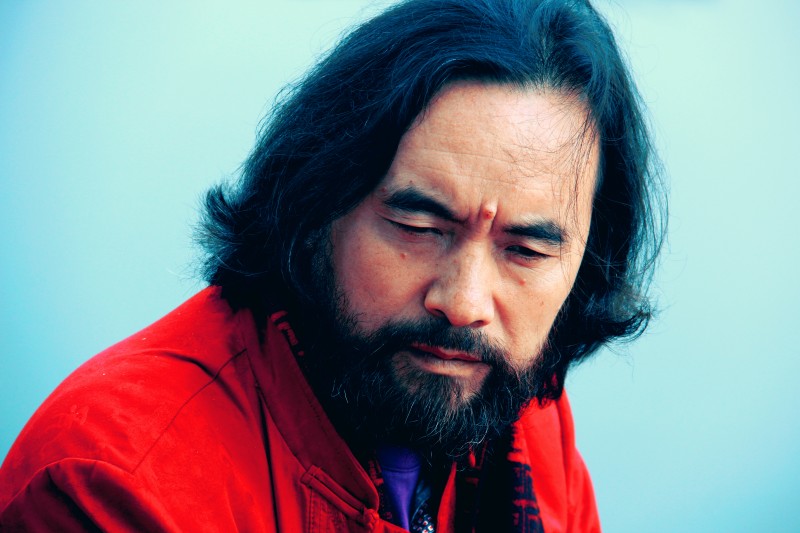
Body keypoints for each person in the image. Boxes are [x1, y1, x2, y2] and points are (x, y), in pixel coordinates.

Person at [0, 0, 664, 530]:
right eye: (418, 228)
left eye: (526, 251)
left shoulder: (516, 408)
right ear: (316, 204)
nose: (465, 303)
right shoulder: (110, 480)